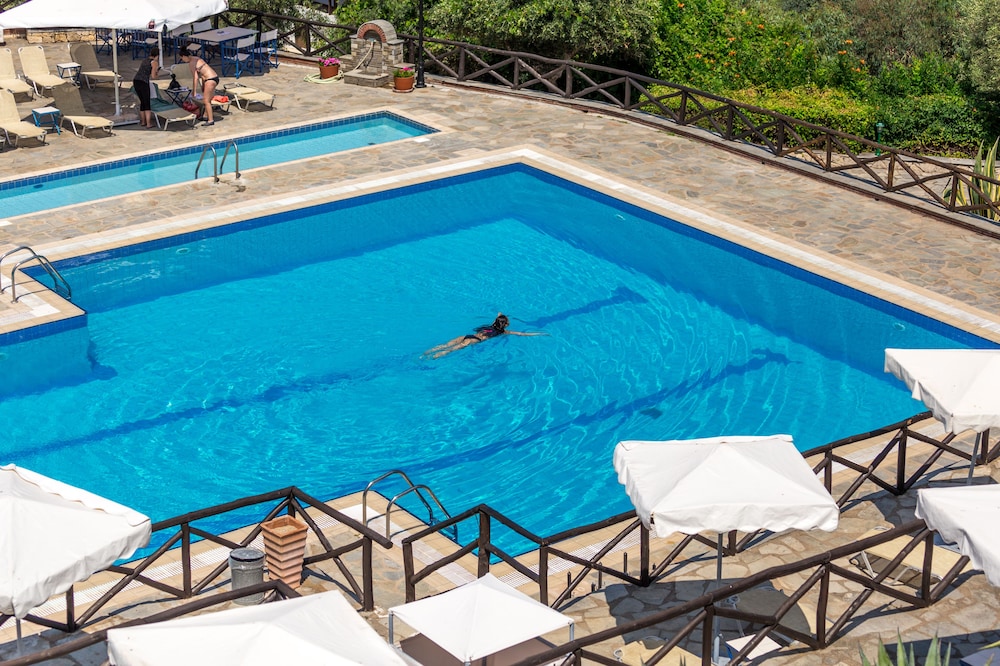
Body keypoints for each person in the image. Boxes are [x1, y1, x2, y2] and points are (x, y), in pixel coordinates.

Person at [424, 313, 546, 359]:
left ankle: (426, 353)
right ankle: (433, 357)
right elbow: (522, 334)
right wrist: (540, 333)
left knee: (445, 345)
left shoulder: (492, 324)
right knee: (450, 350)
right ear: (505, 325)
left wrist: (501, 315)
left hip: (467, 336)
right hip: (474, 340)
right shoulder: (504, 332)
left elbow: (499, 315)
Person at [180, 47, 219, 126]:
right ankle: (205, 116)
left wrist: (194, 91)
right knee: (208, 99)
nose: (183, 60)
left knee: (206, 101)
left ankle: (210, 120)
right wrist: (203, 85)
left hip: (210, 80)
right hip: (214, 77)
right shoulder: (196, 58)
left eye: (182, 59)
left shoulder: (191, 63)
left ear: (184, 56)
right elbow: (203, 74)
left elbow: (195, 78)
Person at [132, 47, 160, 129]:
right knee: (147, 103)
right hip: (143, 82)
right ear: (157, 55)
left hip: (136, 80)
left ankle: (143, 121)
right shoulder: (154, 63)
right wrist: (157, 73)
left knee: (142, 102)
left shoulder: (144, 60)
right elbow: (153, 76)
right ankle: (148, 123)